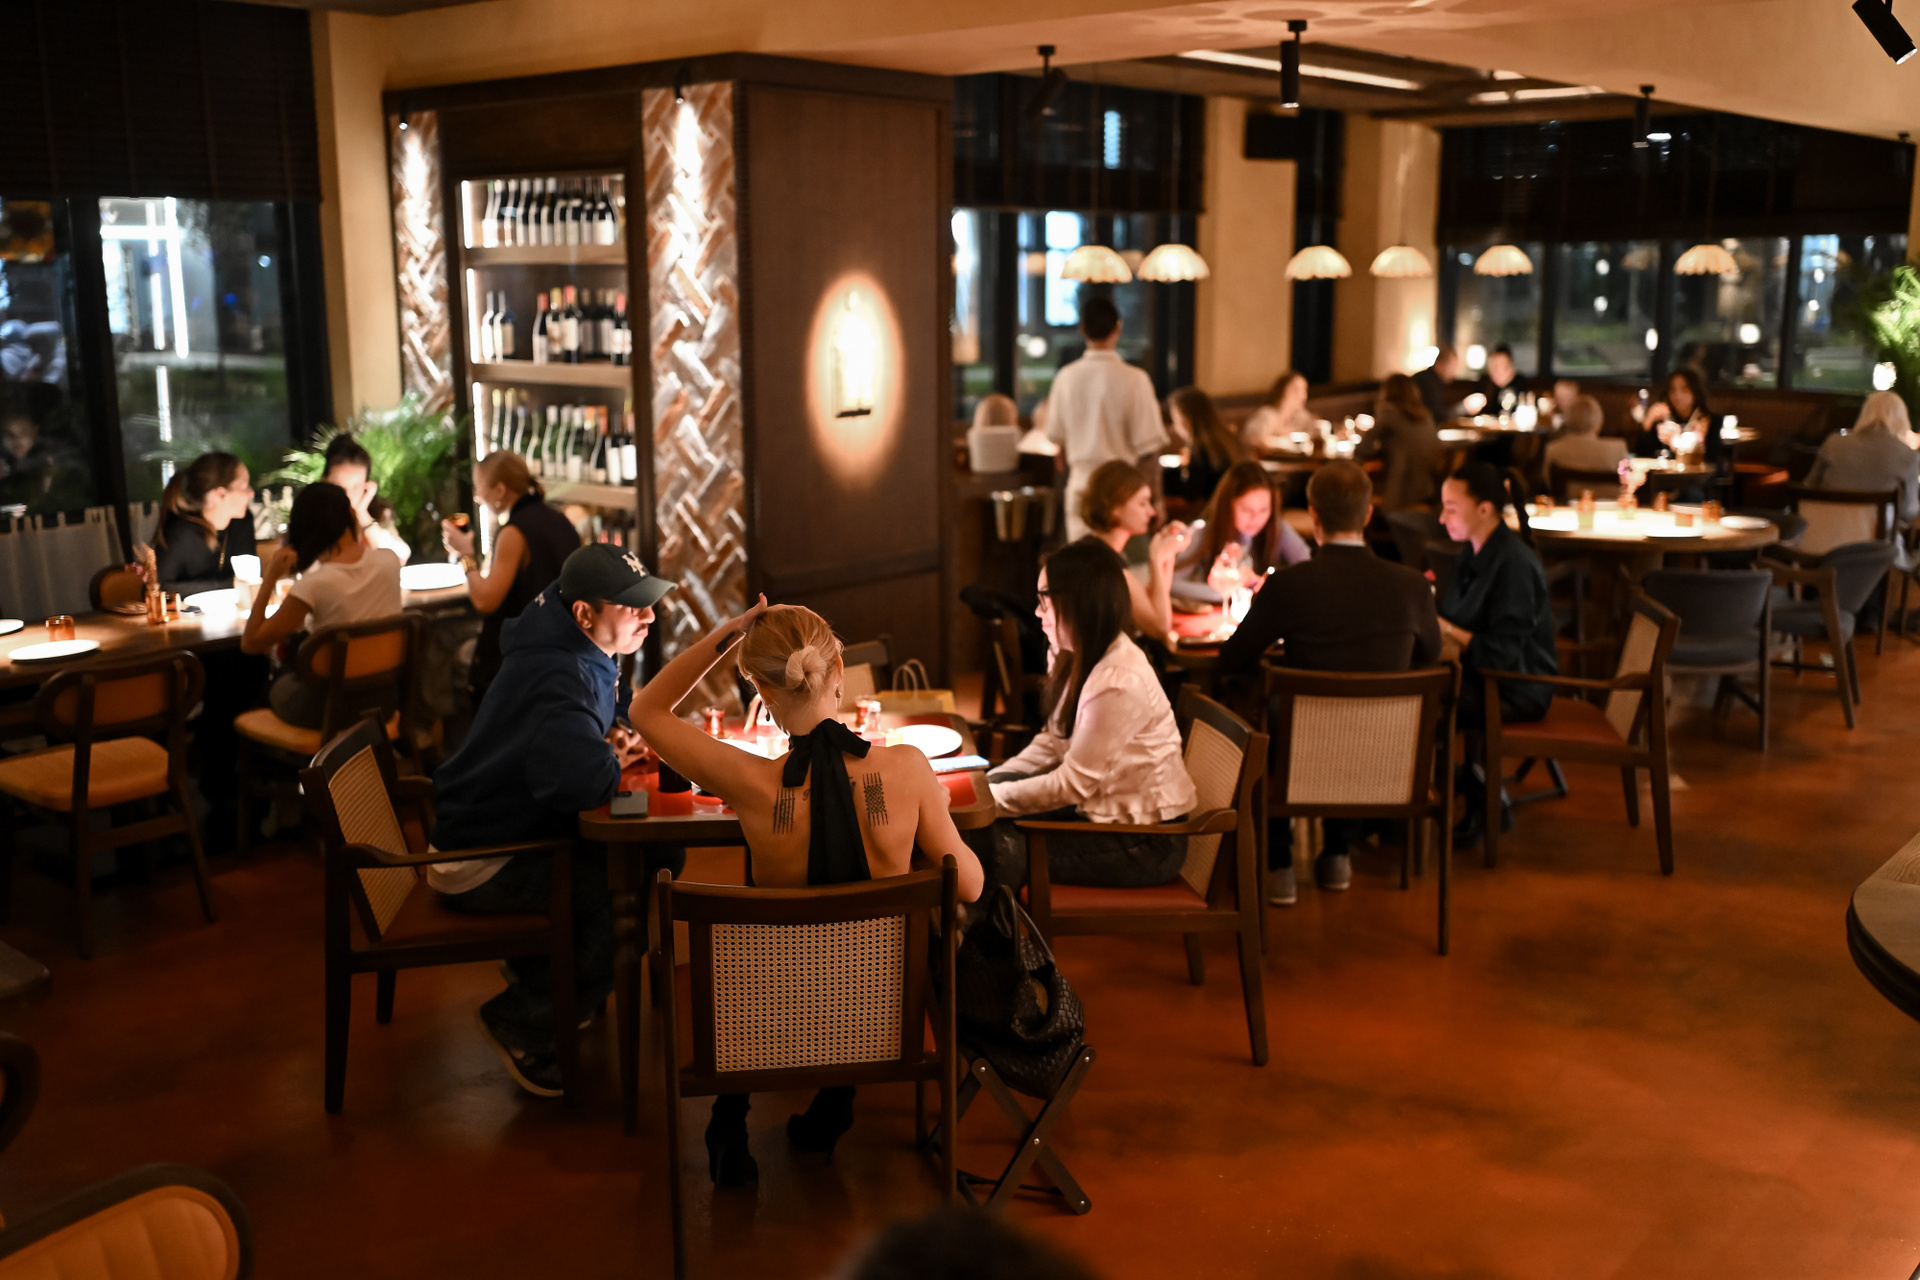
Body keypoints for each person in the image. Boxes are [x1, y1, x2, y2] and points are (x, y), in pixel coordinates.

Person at [631, 599, 985, 1186]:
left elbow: (646, 710)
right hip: (878, 1016)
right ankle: (837, 1098)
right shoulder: (908, 770)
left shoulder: (750, 782)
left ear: (761, 693)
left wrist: (729, 634)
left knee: (755, 947)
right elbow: (969, 883)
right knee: (864, 950)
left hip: (769, 1019)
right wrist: (934, 810)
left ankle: (730, 1120)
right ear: (839, 670)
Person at [428, 544, 678, 1098]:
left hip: (503, 829)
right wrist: (611, 755)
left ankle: (549, 979)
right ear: (585, 613)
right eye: (632, 606)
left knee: (658, 853)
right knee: (626, 895)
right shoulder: (557, 673)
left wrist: (613, 737)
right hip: (482, 860)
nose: (649, 616)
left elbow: (606, 713)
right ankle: (525, 1021)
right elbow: (583, 783)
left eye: (649, 603)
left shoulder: (571, 640)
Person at [1218, 461, 1442, 900]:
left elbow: (1233, 658)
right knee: (1359, 712)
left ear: (1314, 516)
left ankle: (1279, 861)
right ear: (1368, 514)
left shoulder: (1288, 586)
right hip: (1387, 760)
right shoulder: (1412, 586)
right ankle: (1338, 851)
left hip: (1301, 757)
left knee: (1272, 709)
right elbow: (1430, 657)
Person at [965, 539, 1198, 899]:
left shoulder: (1119, 679)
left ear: (1079, 603)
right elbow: (1052, 739)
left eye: (1045, 600)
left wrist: (990, 800)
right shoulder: (1071, 651)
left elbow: (1071, 784)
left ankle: (982, 933)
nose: (1037, 612)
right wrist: (991, 783)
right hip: (1101, 810)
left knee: (997, 842)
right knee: (983, 810)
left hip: (1146, 840)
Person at [1436, 463, 1558, 846]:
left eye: (1451, 509)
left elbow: (1502, 655)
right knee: (1415, 697)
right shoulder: (1476, 551)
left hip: (1516, 687)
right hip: (1484, 676)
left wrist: (1446, 629)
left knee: (1422, 707)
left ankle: (1478, 794)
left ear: (1484, 509)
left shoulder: (1513, 564)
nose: (1441, 518)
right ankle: (1464, 791)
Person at [239, 482, 404, 729]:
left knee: (273, 684)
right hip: (384, 702)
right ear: (351, 515)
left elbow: (250, 643)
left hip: (331, 710)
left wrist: (270, 577)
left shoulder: (315, 584)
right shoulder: (389, 560)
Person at [441, 450, 581, 702]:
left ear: (500, 490)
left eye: (478, 487)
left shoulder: (514, 532)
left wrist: (465, 555)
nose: (476, 496)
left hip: (524, 658)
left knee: (448, 649)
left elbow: (485, 601)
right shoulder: (559, 519)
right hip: (565, 647)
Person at [1045, 297, 1168, 541]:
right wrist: (1156, 499)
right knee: (1124, 564)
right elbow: (1149, 450)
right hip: (1123, 493)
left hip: (1081, 487)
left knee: (1082, 561)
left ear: (1082, 329)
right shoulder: (1135, 379)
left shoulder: (1066, 377)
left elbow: (1058, 448)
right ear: (1117, 328)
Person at [1079, 459, 1190, 645]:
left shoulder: (1099, 549)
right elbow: (1159, 626)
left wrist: (1168, 553)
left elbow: (1152, 603)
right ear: (1115, 508)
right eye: (1142, 503)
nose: (1152, 512)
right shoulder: (1105, 561)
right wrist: (1156, 559)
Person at [1172, 461, 1310, 607]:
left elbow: (1309, 569)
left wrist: (1259, 583)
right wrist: (1224, 592)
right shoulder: (1204, 531)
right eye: (1246, 510)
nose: (1255, 518)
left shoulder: (1276, 527)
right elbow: (1172, 582)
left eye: (1264, 510)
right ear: (1227, 505)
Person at [1806, 390, 1920, 526]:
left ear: (1864, 413)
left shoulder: (1833, 443)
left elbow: (1809, 488)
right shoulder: (1908, 456)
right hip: (1876, 538)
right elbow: (1908, 511)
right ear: (1902, 419)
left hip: (1823, 532)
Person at [150, 452, 258, 594]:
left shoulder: (242, 523)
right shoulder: (180, 531)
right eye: (244, 486)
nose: (251, 493)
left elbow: (250, 579)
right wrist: (230, 585)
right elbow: (159, 586)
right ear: (220, 494)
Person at [1355, 373, 1444, 510]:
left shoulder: (1388, 412)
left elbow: (1362, 450)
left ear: (1386, 392)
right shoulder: (1426, 415)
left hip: (1400, 495)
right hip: (1429, 492)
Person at [320, 434, 411, 563]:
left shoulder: (379, 514)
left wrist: (362, 515)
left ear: (366, 485)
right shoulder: (311, 517)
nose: (347, 495)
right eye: (339, 488)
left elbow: (400, 557)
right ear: (324, 481)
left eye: (355, 487)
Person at [1162, 385, 1247, 505]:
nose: (1174, 426)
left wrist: (1165, 476)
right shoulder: (1228, 440)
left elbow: (1192, 493)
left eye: (1175, 418)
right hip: (1237, 503)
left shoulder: (1201, 449)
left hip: (1219, 508)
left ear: (1185, 417)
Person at [1635, 367, 1728, 469]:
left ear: (1695, 392)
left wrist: (1675, 442)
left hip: (1697, 477)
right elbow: (1642, 455)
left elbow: (1712, 462)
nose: (1677, 395)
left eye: (1684, 390)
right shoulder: (1663, 419)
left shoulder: (1712, 421)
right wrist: (1647, 424)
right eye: (1673, 390)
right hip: (1665, 476)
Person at [1542, 395, 1627, 490]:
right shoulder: (1618, 449)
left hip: (1566, 500)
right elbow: (1626, 485)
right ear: (1598, 421)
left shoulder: (1552, 450)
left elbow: (1548, 484)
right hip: (1611, 500)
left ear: (1567, 419)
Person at [1241, 370, 1312, 449]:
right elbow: (1252, 439)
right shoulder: (1267, 415)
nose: (1302, 396)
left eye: (1304, 390)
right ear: (1282, 390)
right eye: (1296, 390)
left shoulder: (1300, 416)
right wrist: (1280, 442)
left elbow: (1312, 434)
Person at [1412, 344, 1463, 424]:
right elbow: (1438, 416)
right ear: (1439, 365)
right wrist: (1463, 408)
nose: (1455, 373)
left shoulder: (1433, 379)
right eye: (1453, 367)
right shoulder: (1426, 381)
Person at [1477, 344, 1522, 415]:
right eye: (1494, 366)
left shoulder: (1520, 383)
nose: (1499, 371)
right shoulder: (1484, 384)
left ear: (1511, 367)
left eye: (1503, 366)